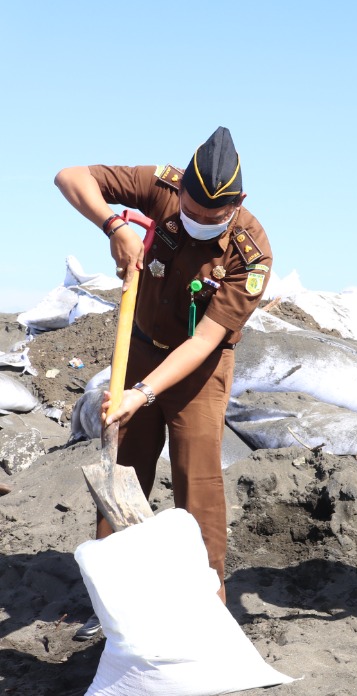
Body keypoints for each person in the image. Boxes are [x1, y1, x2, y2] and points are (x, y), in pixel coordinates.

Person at [55, 127, 273, 639]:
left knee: (198, 479)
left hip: (199, 368)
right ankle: (111, 600)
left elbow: (204, 342)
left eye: (211, 217)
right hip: (140, 345)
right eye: (191, 211)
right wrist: (113, 225)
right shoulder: (162, 187)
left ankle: (208, 603)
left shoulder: (251, 253)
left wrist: (144, 393)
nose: (196, 221)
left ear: (236, 204)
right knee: (123, 465)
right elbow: (70, 177)